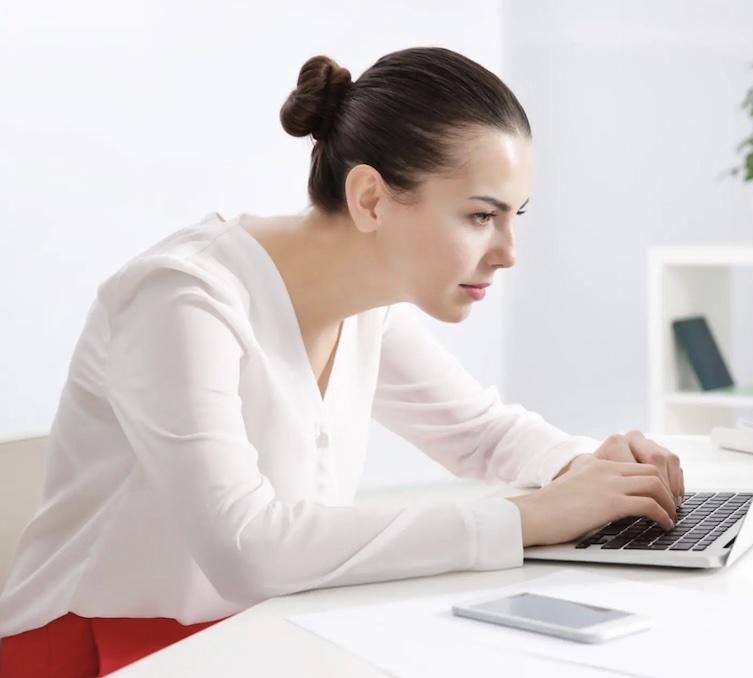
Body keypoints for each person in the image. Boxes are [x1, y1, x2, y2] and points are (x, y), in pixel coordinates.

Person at [0, 46, 683, 677]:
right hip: (100, 653)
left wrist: (589, 470)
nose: (508, 251)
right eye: (481, 216)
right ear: (370, 199)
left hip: (252, 636)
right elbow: (248, 549)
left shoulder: (366, 305)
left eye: (515, 217)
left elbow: (481, 432)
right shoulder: (182, 300)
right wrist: (531, 517)